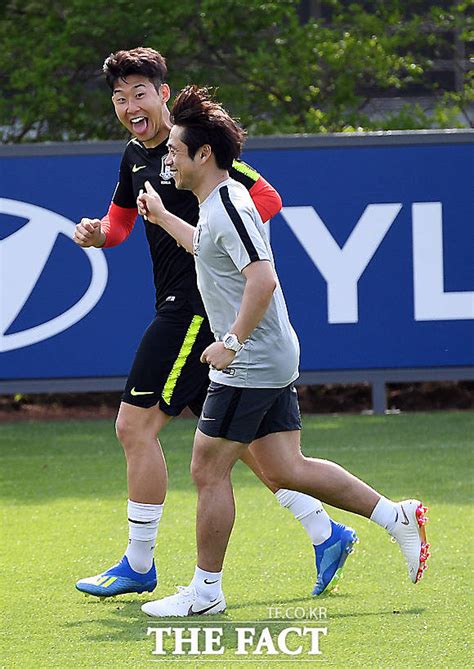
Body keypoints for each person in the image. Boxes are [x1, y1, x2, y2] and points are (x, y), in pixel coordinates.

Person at [73, 47, 357, 600]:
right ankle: (327, 533)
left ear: (162, 93)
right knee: (242, 443)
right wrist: (98, 235)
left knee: (134, 428)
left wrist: (214, 242)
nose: (130, 105)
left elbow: (265, 197)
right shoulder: (134, 155)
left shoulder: (194, 148)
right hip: (189, 314)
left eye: (139, 93)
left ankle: (138, 563)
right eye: (119, 97)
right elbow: (122, 223)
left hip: (195, 312)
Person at [136, 85, 430, 617]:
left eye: (176, 151)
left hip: (250, 359)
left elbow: (263, 280)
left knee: (207, 469)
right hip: (270, 356)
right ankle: (396, 516)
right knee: (287, 467)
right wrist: (160, 218)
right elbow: (209, 248)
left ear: (204, 155)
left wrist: (229, 342)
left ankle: (205, 592)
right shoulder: (219, 202)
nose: (168, 160)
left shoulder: (226, 206)